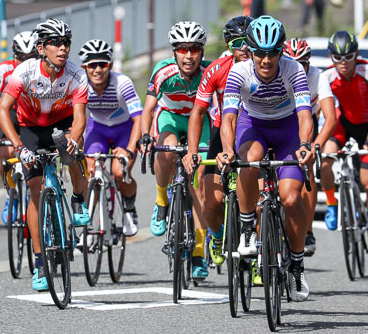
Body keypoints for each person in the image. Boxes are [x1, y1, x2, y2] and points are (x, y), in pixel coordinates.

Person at [216, 16, 314, 302]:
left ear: (281, 51)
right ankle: (247, 228)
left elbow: (305, 115)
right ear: (250, 50)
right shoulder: (238, 72)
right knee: (248, 160)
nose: (266, 59)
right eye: (260, 52)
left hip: (287, 130)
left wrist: (306, 144)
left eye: (273, 52)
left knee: (292, 199)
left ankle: (296, 266)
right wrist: (227, 149)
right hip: (254, 125)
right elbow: (229, 118)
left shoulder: (293, 69)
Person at [0, 18, 91, 292]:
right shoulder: (24, 73)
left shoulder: (76, 74)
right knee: (35, 190)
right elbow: (3, 111)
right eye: (56, 43)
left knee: (73, 152)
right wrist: (19, 147)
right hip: (30, 129)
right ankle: (39, 263)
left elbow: (80, 117)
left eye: (66, 43)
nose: (63, 48)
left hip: (61, 124)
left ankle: (78, 200)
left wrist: (72, 139)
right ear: (41, 47)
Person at [138, 21, 212, 280]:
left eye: (194, 49)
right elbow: (148, 110)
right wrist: (146, 136)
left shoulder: (209, 72)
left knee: (199, 183)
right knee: (166, 151)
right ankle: (161, 201)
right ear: (174, 52)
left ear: (201, 52)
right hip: (170, 117)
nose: (188, 55)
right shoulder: (163, 71)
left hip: (199, 122)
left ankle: (199, 254)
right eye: (182, 49)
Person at [181, 16, 252, 270]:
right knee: (211, 202)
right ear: (228, 45)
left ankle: (264, 250)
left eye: (249, 42)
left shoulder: (265, 68)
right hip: (223, 132)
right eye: (238, 43)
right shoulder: (218, 69)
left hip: (255, 131)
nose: (244, 48)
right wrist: (191, 152)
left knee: (262, 196)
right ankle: (219, 236)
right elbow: (198, 112)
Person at [319, 31, 368, 258]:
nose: (343, 63)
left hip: (367, 126)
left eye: (348, 57)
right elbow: (318, 107)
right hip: (342, 124)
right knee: (325, 162)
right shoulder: (326, 77)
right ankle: (331, 203)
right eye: (338, 58)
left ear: (356, 54)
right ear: (331, 58)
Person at [79, 39, 142, 236]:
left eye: (102, 64)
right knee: (90, 171)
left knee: (119, 171)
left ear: (111, 66)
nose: (97, 69)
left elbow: (139, 120)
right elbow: (76, 119)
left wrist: (130, 149)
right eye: (92, 65)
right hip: (97, 129)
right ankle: (89, 227)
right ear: (85, 68)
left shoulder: (122, 83)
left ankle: (129, 208)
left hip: (125, 129)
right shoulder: (80, 85)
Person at [0, 31, 38, 223]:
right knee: (6, 153)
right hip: (11, 113)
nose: (26, 62)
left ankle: (34, 190)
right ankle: (11, 194)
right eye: (21, 58)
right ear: (14, 55)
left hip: (34, 115)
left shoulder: (43, 69)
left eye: (31, 58)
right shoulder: (4, 69)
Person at [282, 37, 336, 257]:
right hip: (281, 122)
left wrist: (315, 146)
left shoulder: (318, 76)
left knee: (307, 175)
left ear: (309, 63)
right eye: (292, 62)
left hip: (306, 123)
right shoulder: (279, 72)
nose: (298, 68)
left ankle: (308, 229)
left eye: (303, 63)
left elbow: (330, 118)